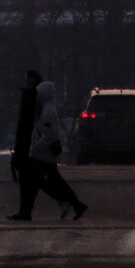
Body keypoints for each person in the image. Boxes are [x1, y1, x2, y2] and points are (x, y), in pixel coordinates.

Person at [7, 71, 73, 222]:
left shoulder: (35, 101)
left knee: (35, 180)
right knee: (32, 181)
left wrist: (33, 146)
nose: (27, 85)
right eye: (27, 82)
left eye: (30, 83)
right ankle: (26, 210)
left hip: (32, 148)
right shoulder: (32, 99)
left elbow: (34, 127)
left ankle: (59, 201)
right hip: (28, 146)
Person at [28, 81, 88, 221]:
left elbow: (50, 134)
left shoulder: (47, 111)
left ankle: (64, 202)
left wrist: (37, 146)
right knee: (53, 180)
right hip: (46, 153)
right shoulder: (47, 109)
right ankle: (76, 204)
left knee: (38, 180)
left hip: (43, 154)